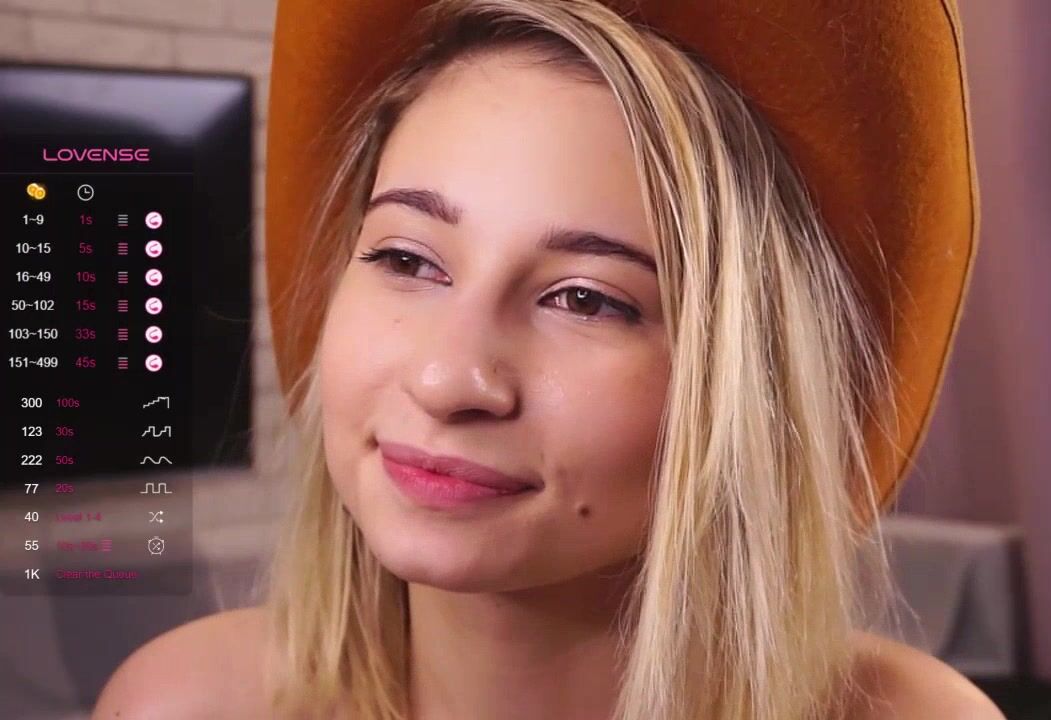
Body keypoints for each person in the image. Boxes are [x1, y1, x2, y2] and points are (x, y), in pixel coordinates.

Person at [93, 0, 1000, 718]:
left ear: (743, 381)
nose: (447, 380)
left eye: (585, 299)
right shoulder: (181, 704)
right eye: (407, 259)